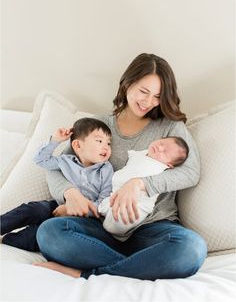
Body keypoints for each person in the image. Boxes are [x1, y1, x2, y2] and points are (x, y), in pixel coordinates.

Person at [35, 53, 207, 280]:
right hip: (101, 225)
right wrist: (70, 193)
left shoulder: (170, 128)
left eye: (157, 96)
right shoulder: (99, 126)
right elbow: (58, 166)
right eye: (143, 92)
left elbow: (191, 172)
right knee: (50, 233)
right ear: (127, 83)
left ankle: (87, 272)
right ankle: (141, 265)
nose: (148, 102)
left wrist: (140, 184)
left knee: (191, 249)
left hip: (152, 228)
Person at [0, 118, 113, 251]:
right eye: (99, 141)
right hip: (57, 206)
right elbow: (41, 160)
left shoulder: (106, 170)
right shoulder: (66, 161)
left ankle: (6, 240)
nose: (106, 147)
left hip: (85, 219)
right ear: (77, 146)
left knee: (40, 234)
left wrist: (73, 209)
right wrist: (55, 140)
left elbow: (104, 203)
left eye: (109, 143)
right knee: (35, 209)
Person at [99, 136, 189, 238]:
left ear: (169, 165)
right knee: (108, 203)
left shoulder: (160, 168)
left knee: (125, 217)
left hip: (140, 202)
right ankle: (104, 211)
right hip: (116, 191)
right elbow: (133, 155)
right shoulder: (143, 153)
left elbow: (189, 175)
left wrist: (137, 184)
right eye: (161, 143)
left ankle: (114, 228)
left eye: (165, 152)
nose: (159, 148)